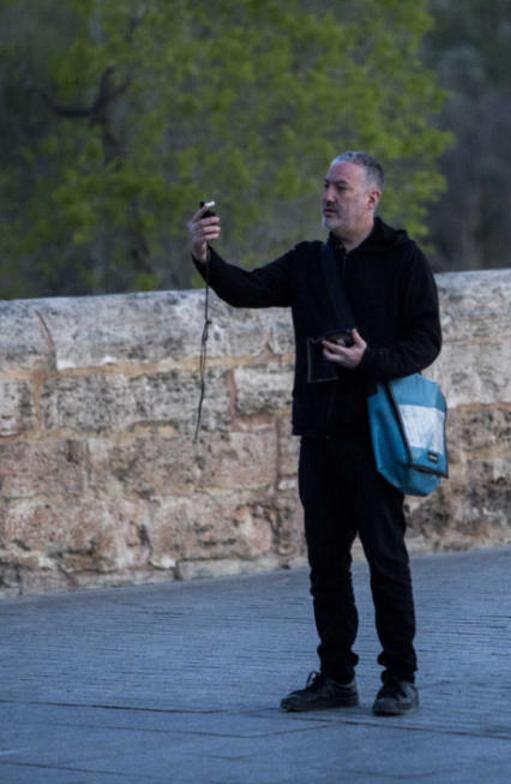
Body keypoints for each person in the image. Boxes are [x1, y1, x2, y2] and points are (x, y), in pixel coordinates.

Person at [186, 151, 441, 716]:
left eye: (341, 188)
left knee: (386, 561)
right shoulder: (307, 262)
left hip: (378, 436)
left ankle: (400, 678)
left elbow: (427, 341)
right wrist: (204, 256)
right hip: (320, 436)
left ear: (371, 198)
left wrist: (369, 359)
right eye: (326, 186)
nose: (328, 196)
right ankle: (336, 678)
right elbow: (245, 289)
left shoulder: (403, 259)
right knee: (326, 567)